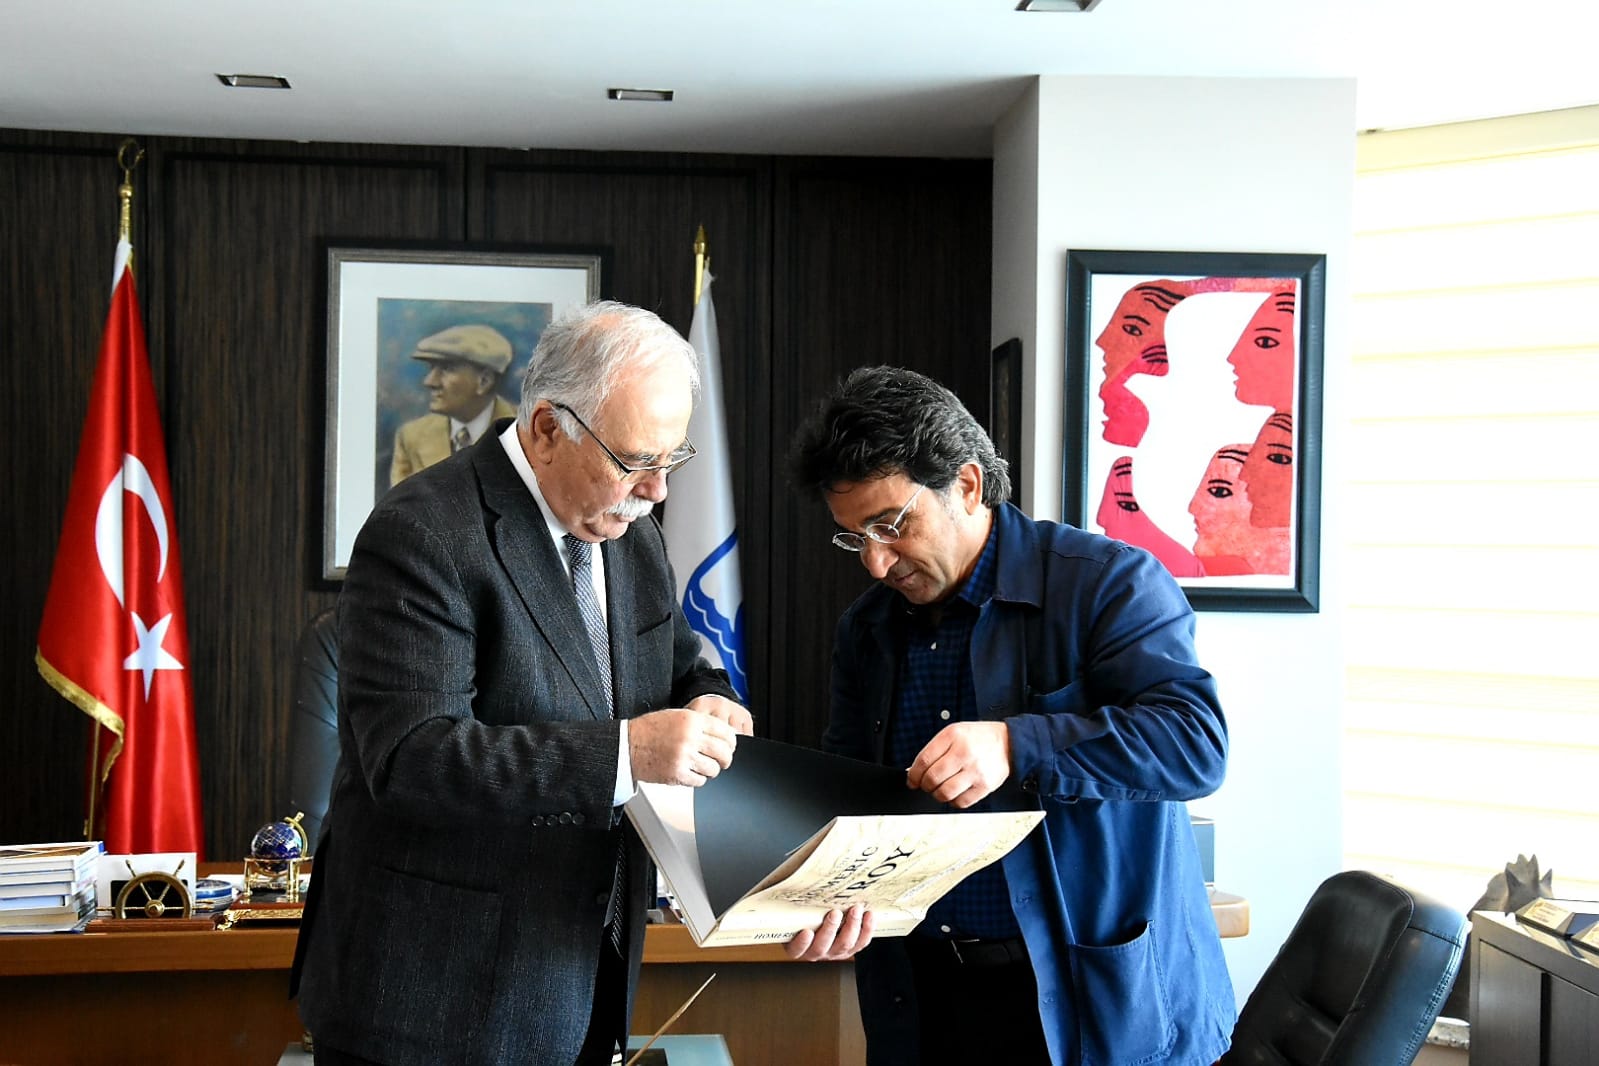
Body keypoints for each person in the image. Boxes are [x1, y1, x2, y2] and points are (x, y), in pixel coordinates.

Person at [293, 301, 755, 1066]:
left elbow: (681, 666)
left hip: (583, 977)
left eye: (673, 459)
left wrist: (712, 699)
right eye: (635, 461)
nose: (657, 492)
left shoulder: (631, 533)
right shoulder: (422, 532)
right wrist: (626, 755)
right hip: (433, 1003)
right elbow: (411, 758)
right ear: (546, 429)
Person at [787, 366, 1234, 1066]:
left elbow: (1194, 745)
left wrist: (1015, 744)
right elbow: (849, 797)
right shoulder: (867, 628)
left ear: (966, 486)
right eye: (854, 537)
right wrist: (822, 893)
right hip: (924, 996)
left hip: (1084, 999)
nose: (875, 562)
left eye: (891, 525)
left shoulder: (1107, 582)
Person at [389, 323, 520, 486]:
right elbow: (400, 501)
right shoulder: (411, 438)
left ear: (484, 381)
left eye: (447, 369)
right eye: (431, 368)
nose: (429, 381)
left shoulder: (528, 432)